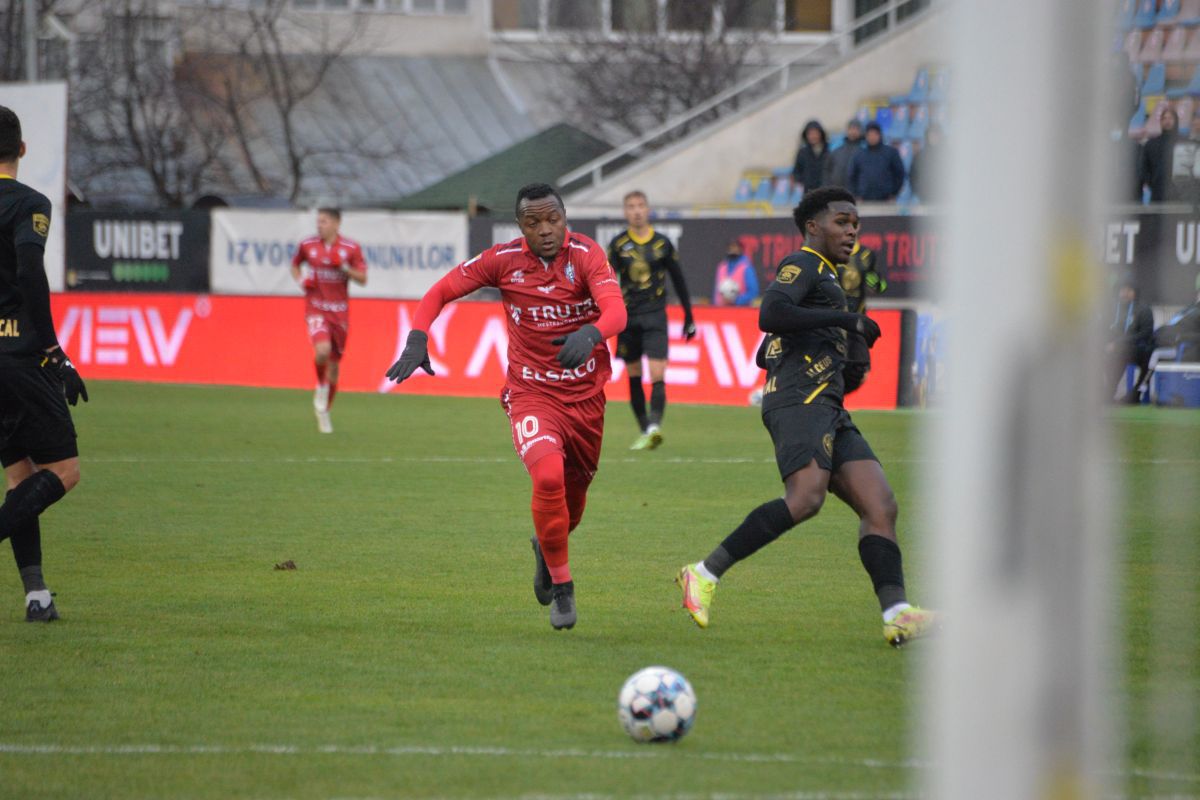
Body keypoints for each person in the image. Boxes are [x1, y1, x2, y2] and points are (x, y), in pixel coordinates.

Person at [675, 186, 936, 647]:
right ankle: (703, 573)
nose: (851, 229)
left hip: (828, 404)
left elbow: (769, 349)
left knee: (880, 505)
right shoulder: (805, 263)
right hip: (800, 400)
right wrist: (845, 319)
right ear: (813, 226)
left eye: (855, 222)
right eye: (841, 221)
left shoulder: (838, 274)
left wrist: (847, 350)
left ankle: (897, 614)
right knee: (805, 498)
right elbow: (771, 314)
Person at [385, 183, 626, 630]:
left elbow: (616, 311)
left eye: (552, 219)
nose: (545, 230)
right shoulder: (503, 261)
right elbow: (439, 292)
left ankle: (545, 547)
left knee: (571, 510)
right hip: (530, 394)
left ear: (565, 218)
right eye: (533, 223)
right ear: (521, 227)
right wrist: (418, 337)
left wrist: (591, 333)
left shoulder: (588, 255)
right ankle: (564, 585)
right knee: (548, 476)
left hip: (587, 400)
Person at [0, 105, 88, 622]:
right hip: (18, 355)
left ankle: (36, 596)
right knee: (64, 471)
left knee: (20, 478)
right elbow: (31, 272)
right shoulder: (27, 203)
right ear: (23, 150)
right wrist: (54, 351)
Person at [607, 191, 696, 450]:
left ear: (648, 209)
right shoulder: (617, 244)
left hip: (656, 315)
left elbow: (679, 281)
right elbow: (606, 280)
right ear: (625, 212)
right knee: (633, 373)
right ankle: (645, 428)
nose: (636, 211)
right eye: (631, 207)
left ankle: (655, 426)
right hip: (628, 317)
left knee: (658, 371)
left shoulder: (663, 243)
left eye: (640, 206)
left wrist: (689, 316)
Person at [290, 208, 367, 434]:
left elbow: (363, 278)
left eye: (324, 221)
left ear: (336, 223)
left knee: (334, 366)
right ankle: (321, 386)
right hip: (316, 307)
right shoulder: (307, 245)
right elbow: (295, 264)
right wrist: (302, 279)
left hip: (339, 312)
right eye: (318, 221)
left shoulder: (351, 248)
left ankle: (324, 411)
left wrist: (343, 267)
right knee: (322, 350)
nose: (319, 225)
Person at [835, 237, 887, 394]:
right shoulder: (830, 253)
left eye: (853, 225)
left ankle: (836, 398)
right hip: (833, 321)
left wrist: (877, 283)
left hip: (857, 322)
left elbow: (881, 286)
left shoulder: (866, 254)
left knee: (862, 372)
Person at [1106, 277, 1156, 403]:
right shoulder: (1114, 310)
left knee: (1121, 352)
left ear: (1135, 292)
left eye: (1129, 290)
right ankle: (1107, 392)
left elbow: (1146, 334)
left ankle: (1135, 395)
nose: (1125, 293)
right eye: (1122, 290)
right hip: (1117, 349)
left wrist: (1119, 343)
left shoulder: (1144, 310)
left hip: (1141, 351)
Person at [847, 122, 906, 202]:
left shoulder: (891, 153)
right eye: (869, 135)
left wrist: (893, 193)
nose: (872, 137)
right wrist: (856, 195)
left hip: (886, 200)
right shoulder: (859, 154)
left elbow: (900, 174)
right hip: (864, 200)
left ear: (879, 135)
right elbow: (852, 176)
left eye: (875, 134)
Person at [1139, 105, 1179, 203]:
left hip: (1179, 197)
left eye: (1170, 118)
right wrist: (1153, 183)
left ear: (1176, 121)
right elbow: (1143, 168)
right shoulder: (1151, 144)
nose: (1167, 121)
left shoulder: (1183, 143)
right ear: (1160, 122)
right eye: (1164, 118)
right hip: (1158, 196)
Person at [712, 239, 760, 307]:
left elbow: (753, 292)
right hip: (722, 310)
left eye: (735, 247)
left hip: (741, 311)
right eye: (730, 248)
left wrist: (735, 301)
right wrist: (718, 304)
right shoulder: (721, 267)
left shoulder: (746, 268)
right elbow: (716, 292)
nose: (732, 250)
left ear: (740, 249)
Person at [824, 118, 864, 191]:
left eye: (856, 129)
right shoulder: (836, 150)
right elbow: (827, 170)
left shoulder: (864, 151)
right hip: (836, 191)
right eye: (851, 129)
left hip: (856, 195)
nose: (853, 132)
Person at [907, 124, 943, 205]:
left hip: (943, 198)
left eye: (936, 135)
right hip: (925, 198)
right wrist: (919, 191)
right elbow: (913, 175)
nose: (934, 138)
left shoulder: (947, 155)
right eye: (931, 135)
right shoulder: (920, 156)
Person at [791, 120, 830, 193]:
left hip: (826, 192)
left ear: (821, 134)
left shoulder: (829, 150)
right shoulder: (802, 152)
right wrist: (805, 180)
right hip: (808, 192)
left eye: (815, 133)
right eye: (810, 134)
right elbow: (796, 171)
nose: (813, 136)